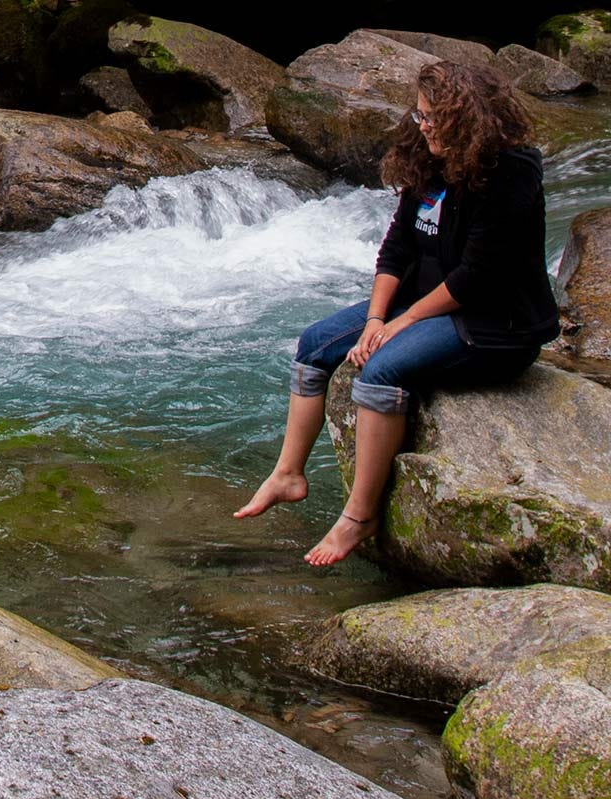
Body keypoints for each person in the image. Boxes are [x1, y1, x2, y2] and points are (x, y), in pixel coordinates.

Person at [233, 61, 560, 566]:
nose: (422, 124)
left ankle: (359, 518)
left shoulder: (512, 172)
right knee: (314, 345)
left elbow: (476, 277)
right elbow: (396, 250)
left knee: (380, 371)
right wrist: (374, 319)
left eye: (431, 117)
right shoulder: (428, 157)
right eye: (420, 114)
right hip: (426, 305)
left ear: (466, 119)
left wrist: (400, 324)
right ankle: (288, 474)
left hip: (496, 324)